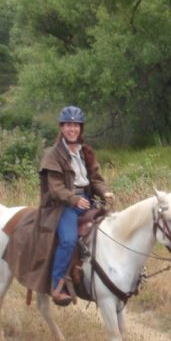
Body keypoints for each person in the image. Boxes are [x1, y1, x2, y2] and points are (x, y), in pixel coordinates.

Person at [40, 105, 114, 305]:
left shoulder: (85, 152)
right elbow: (55, 188)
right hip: (62, 205)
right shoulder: (53, 155)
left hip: (87, 201)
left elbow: (96, 179)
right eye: (68, 125)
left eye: (76, 125)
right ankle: (58, 285)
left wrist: (105, 192)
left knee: (110, 230)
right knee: (68, 240)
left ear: (81, 128)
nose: (72, 129)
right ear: (61, 128)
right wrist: (73, 199)